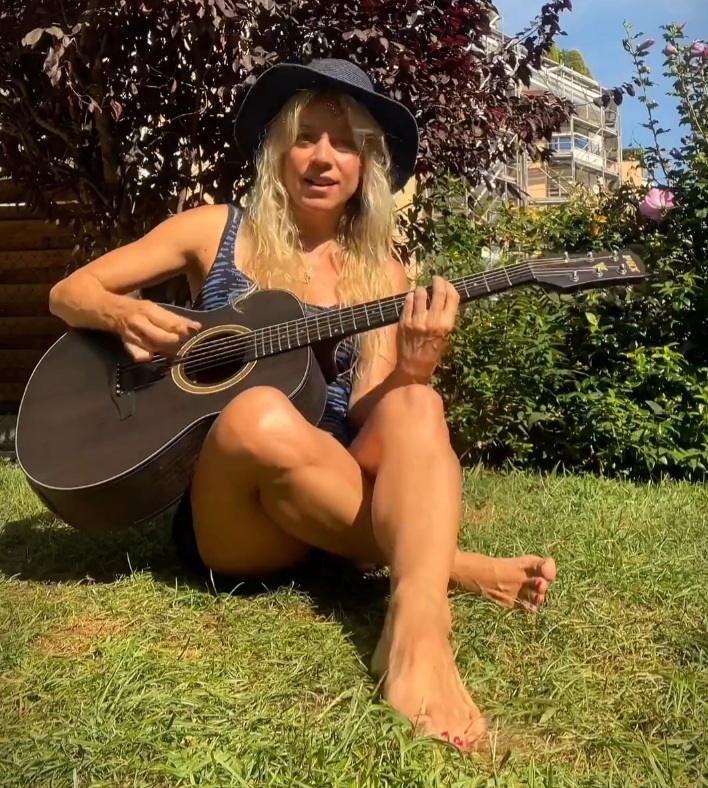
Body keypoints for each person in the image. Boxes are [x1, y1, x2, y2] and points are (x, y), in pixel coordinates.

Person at [48, 58, 556, 751]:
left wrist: (414, 369)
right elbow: (69, 292)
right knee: (258, 414)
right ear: (277, 149)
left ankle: (419, 630)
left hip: (325, 480)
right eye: (306, 136)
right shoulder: (216, 230)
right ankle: (449, 564)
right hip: (233, 509)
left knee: (420, 408)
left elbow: (374, 414)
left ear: (365, 166)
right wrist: (119, 313)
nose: (323, 157)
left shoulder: (383, 272)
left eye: (344, 143)